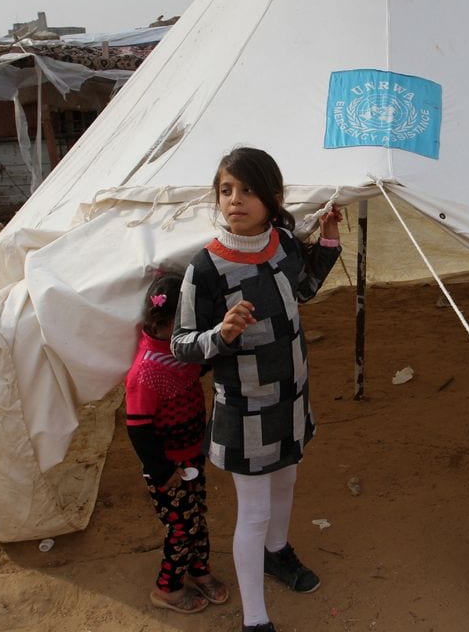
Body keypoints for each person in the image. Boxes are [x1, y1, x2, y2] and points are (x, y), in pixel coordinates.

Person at [172, 147, 342, 632]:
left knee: (287, 480)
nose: (235, 200)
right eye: (226, 190)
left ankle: (277, 553)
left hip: (291, 397)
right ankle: (255, 620)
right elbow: (182, 344)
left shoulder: (283, 244)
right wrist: (220, 335)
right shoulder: (204, 270)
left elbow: (304, 290)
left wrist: (327, 242)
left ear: (273, 198)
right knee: (254, 510)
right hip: (243, 410)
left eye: (247, 190)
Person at [125, 270, 229, 615]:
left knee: (197, 514)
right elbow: (138, 427)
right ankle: (167, 588)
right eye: (185, 322)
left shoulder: (178, 352)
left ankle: (200, 571)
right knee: (180, 528)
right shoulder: (146, 371)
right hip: (169, 467)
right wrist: (160, 470)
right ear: (163, 322)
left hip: (191, 455)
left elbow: (195, 370)